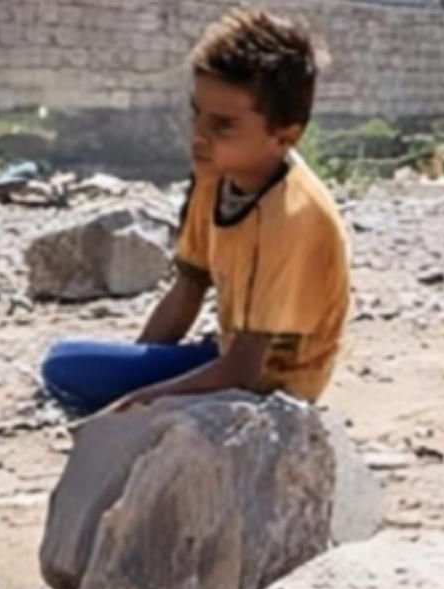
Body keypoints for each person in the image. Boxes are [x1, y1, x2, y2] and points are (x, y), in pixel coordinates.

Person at [40, 8, 351, 418]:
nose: (199, 136)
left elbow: (245, 370)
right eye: (197, 114)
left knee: (69, 370)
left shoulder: (291, 216)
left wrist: (139, 398)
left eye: (223, 125)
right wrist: (138, 370)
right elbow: (188, 288)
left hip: (274, 386)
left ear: (285, 135)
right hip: (228, 356)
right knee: (66, 361)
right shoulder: (215, 176)